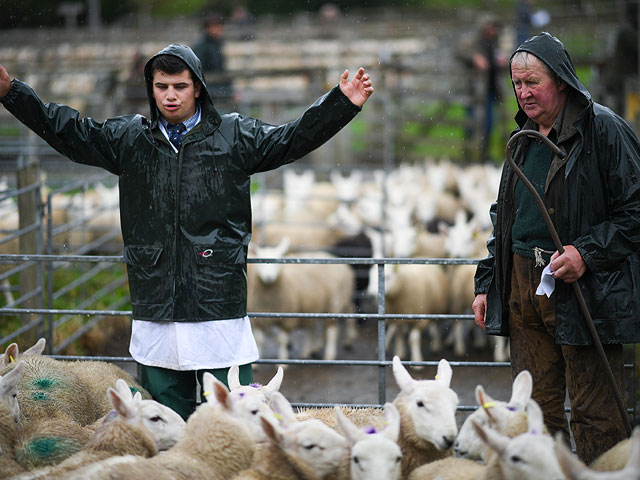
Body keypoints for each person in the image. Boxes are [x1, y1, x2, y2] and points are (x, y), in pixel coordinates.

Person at [0, 43, 374, 420]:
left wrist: (340, 104)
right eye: (161, 87)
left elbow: (290, 139)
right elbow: (72, 131)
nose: (170, 95)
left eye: (179, 86)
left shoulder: (233, 135)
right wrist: (13, 94)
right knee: (164, 418)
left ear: (197, 87)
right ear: (152, 88)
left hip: (218, 301)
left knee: (232, 418)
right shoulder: (131, 139)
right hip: (156, 299)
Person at [472, 32, 640, 464]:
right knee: (534, 413)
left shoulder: (603, 130)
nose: (523, 92)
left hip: (585, 291)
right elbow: (505, 218)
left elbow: (636, 209)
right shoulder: (523, 137)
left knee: (595, 412)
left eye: (533, 82)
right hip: (524, 289)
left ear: (561, 80)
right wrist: (488, 282)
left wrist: (587, 252)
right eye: (516, 84)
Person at [455, 14, 508, 162]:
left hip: (491, 90)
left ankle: (484, 156)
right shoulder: (473, 42)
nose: (493, 30)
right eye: (490, 27)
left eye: (494, 27)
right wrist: (474, 58)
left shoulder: (496, 43)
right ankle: (469, 154)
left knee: (489, 125)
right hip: (475, 92)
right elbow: (459, 51)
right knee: (472, 124)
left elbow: (505, 59)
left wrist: (504, 60)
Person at [191, 13, 233, 109]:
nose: (218, 30)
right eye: (214, 26)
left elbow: (221, 69)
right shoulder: (201, 46)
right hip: (210, 89)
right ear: (207, 28)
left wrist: (230, 90)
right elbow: (199, 70)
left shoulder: (217, 44)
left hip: (218, 87)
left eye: (219, 26)